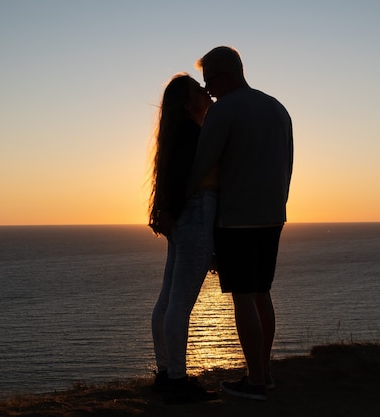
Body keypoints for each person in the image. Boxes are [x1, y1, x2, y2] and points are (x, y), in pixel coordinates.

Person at [187, 46, 294, 401]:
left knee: (244, 298)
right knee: (262, 292)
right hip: (272, 214)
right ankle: (262, 372)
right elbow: (288, 166)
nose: (208, 91)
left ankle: (257, 382)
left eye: (210, 82)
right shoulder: (277, 108)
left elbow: (202, 163)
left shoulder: (224, 111)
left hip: (236, 218)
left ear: (225, 74)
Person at [148, 73, 218, 404]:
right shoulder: (195, 135)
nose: (206, 91)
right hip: (196, 215)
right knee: (180, 301)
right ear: (189, 102)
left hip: (182, 219)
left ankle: (165, 373)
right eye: (197, 89)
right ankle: (176, 378)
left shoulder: (178, 135)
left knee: (168, 299)